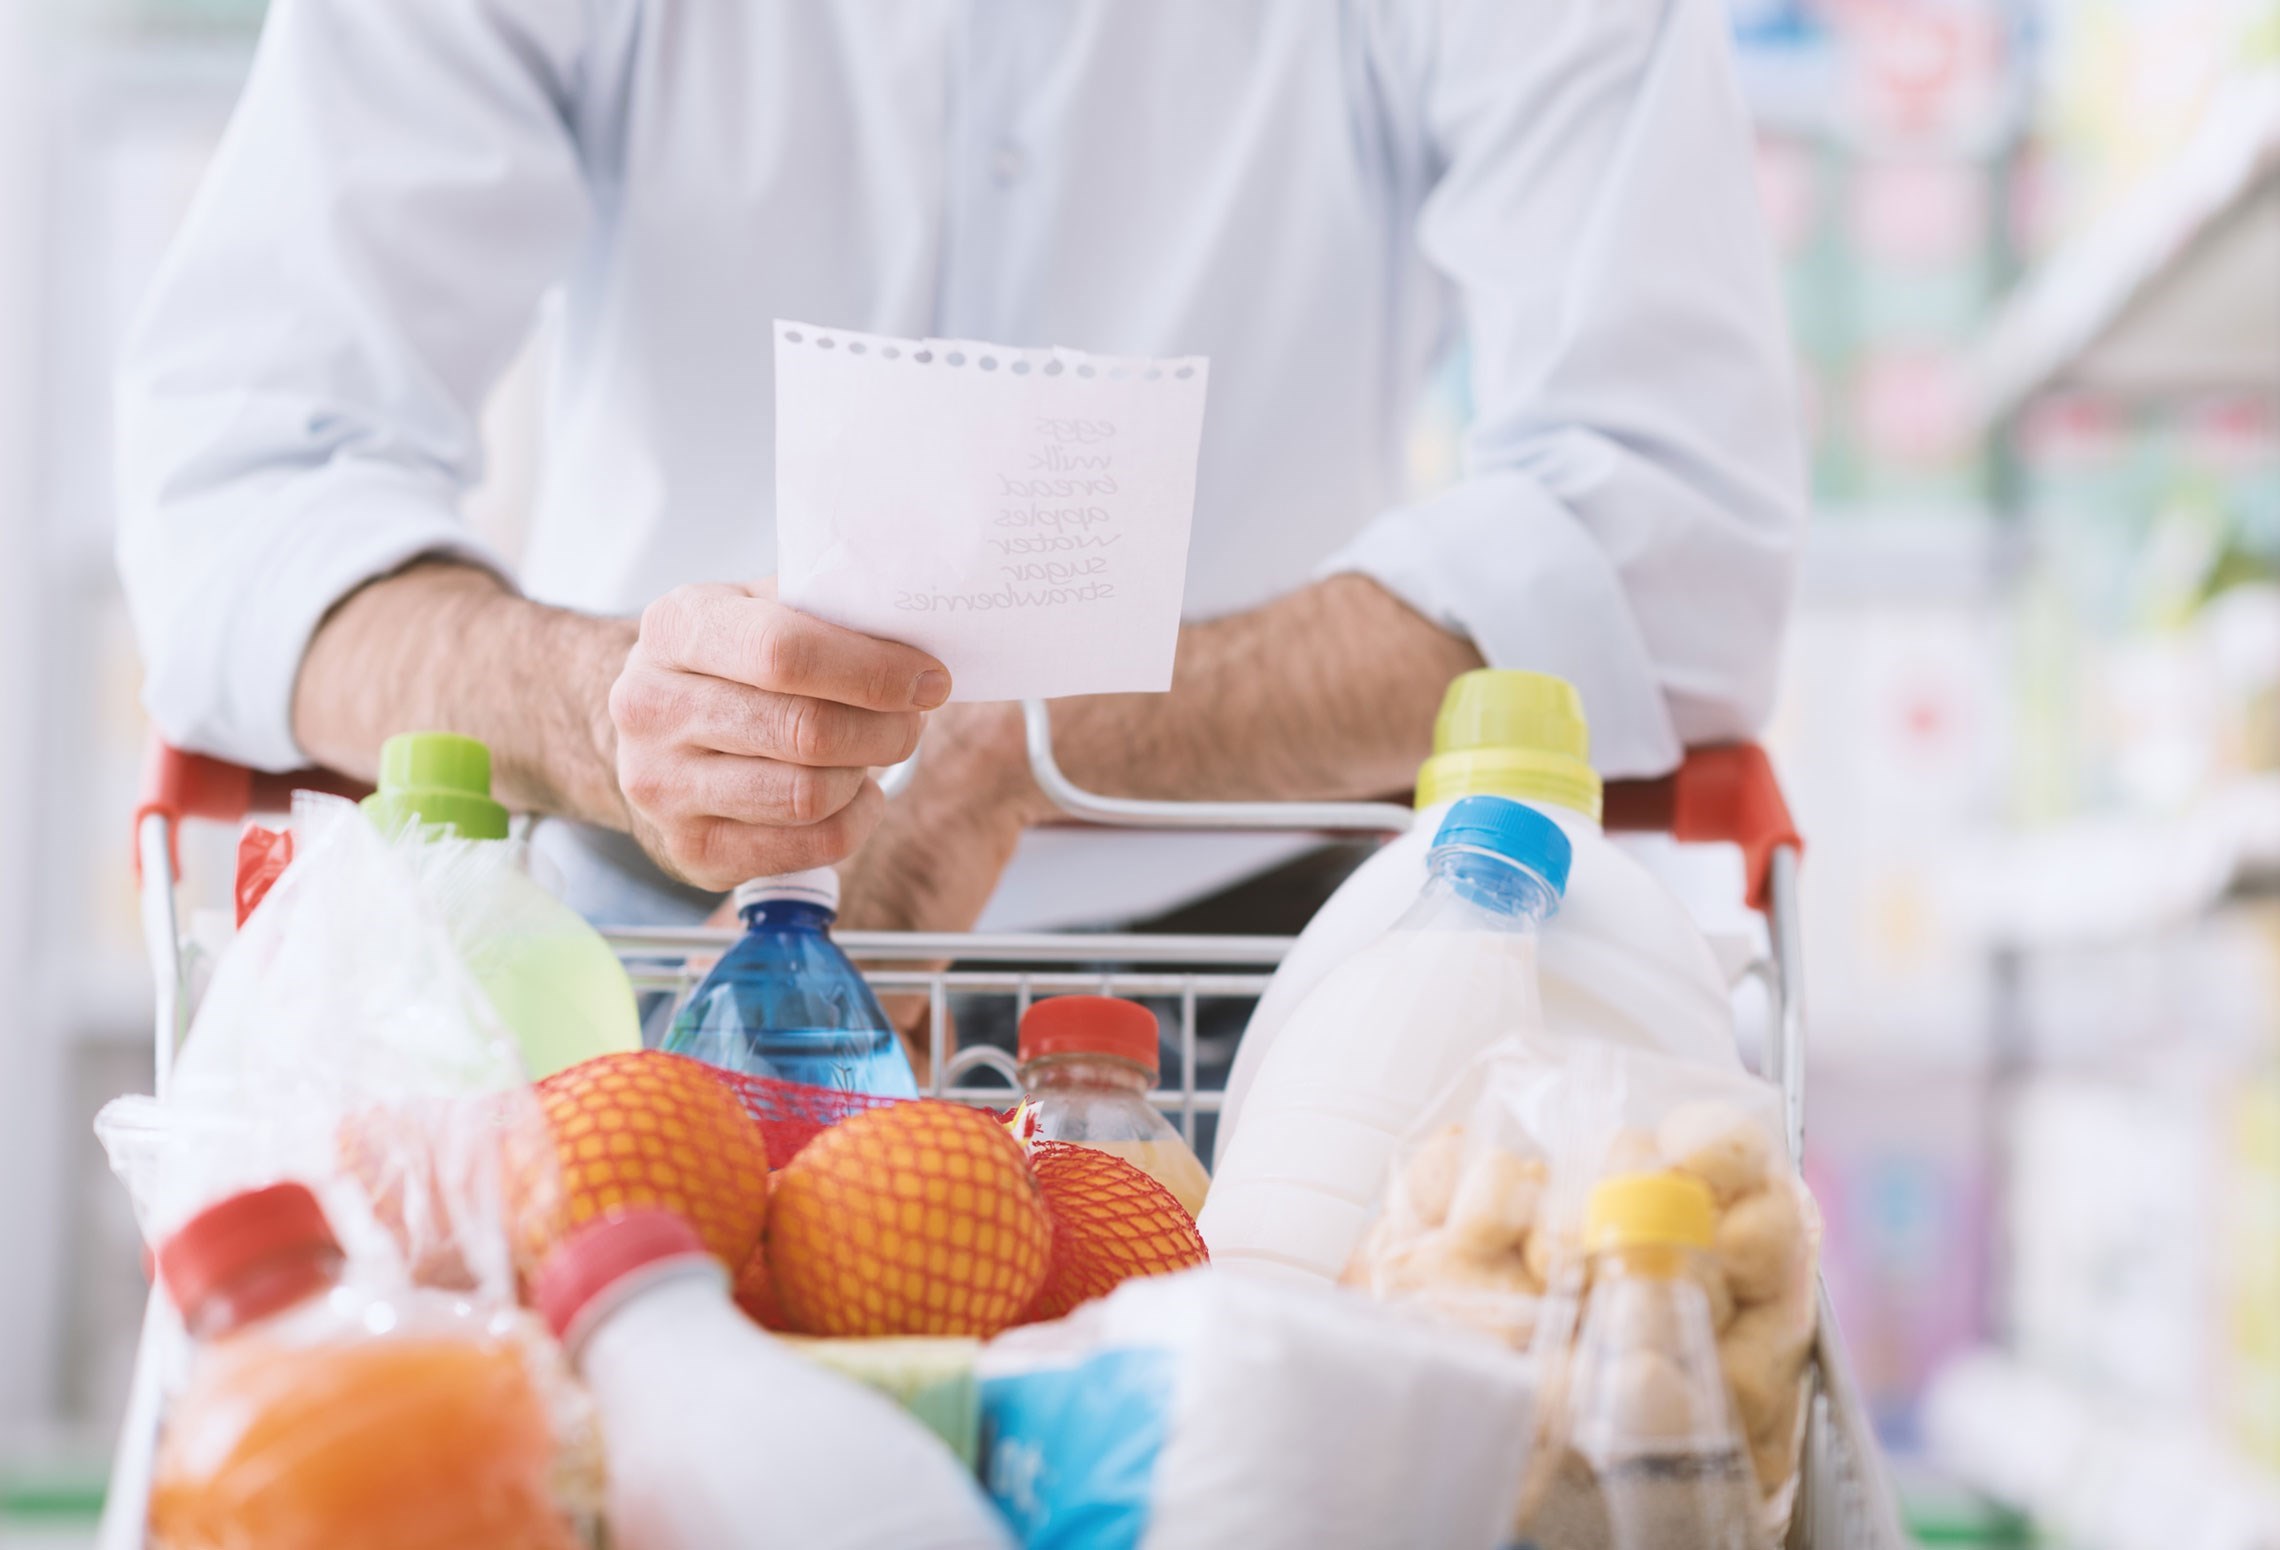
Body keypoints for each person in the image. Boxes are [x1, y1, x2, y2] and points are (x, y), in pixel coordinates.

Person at [117, 0, 1804, 944]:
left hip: (1262, 972)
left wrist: (1037, 750)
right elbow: (250, 475)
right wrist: (609, 710)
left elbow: (1670, 526)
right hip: (646, 928)